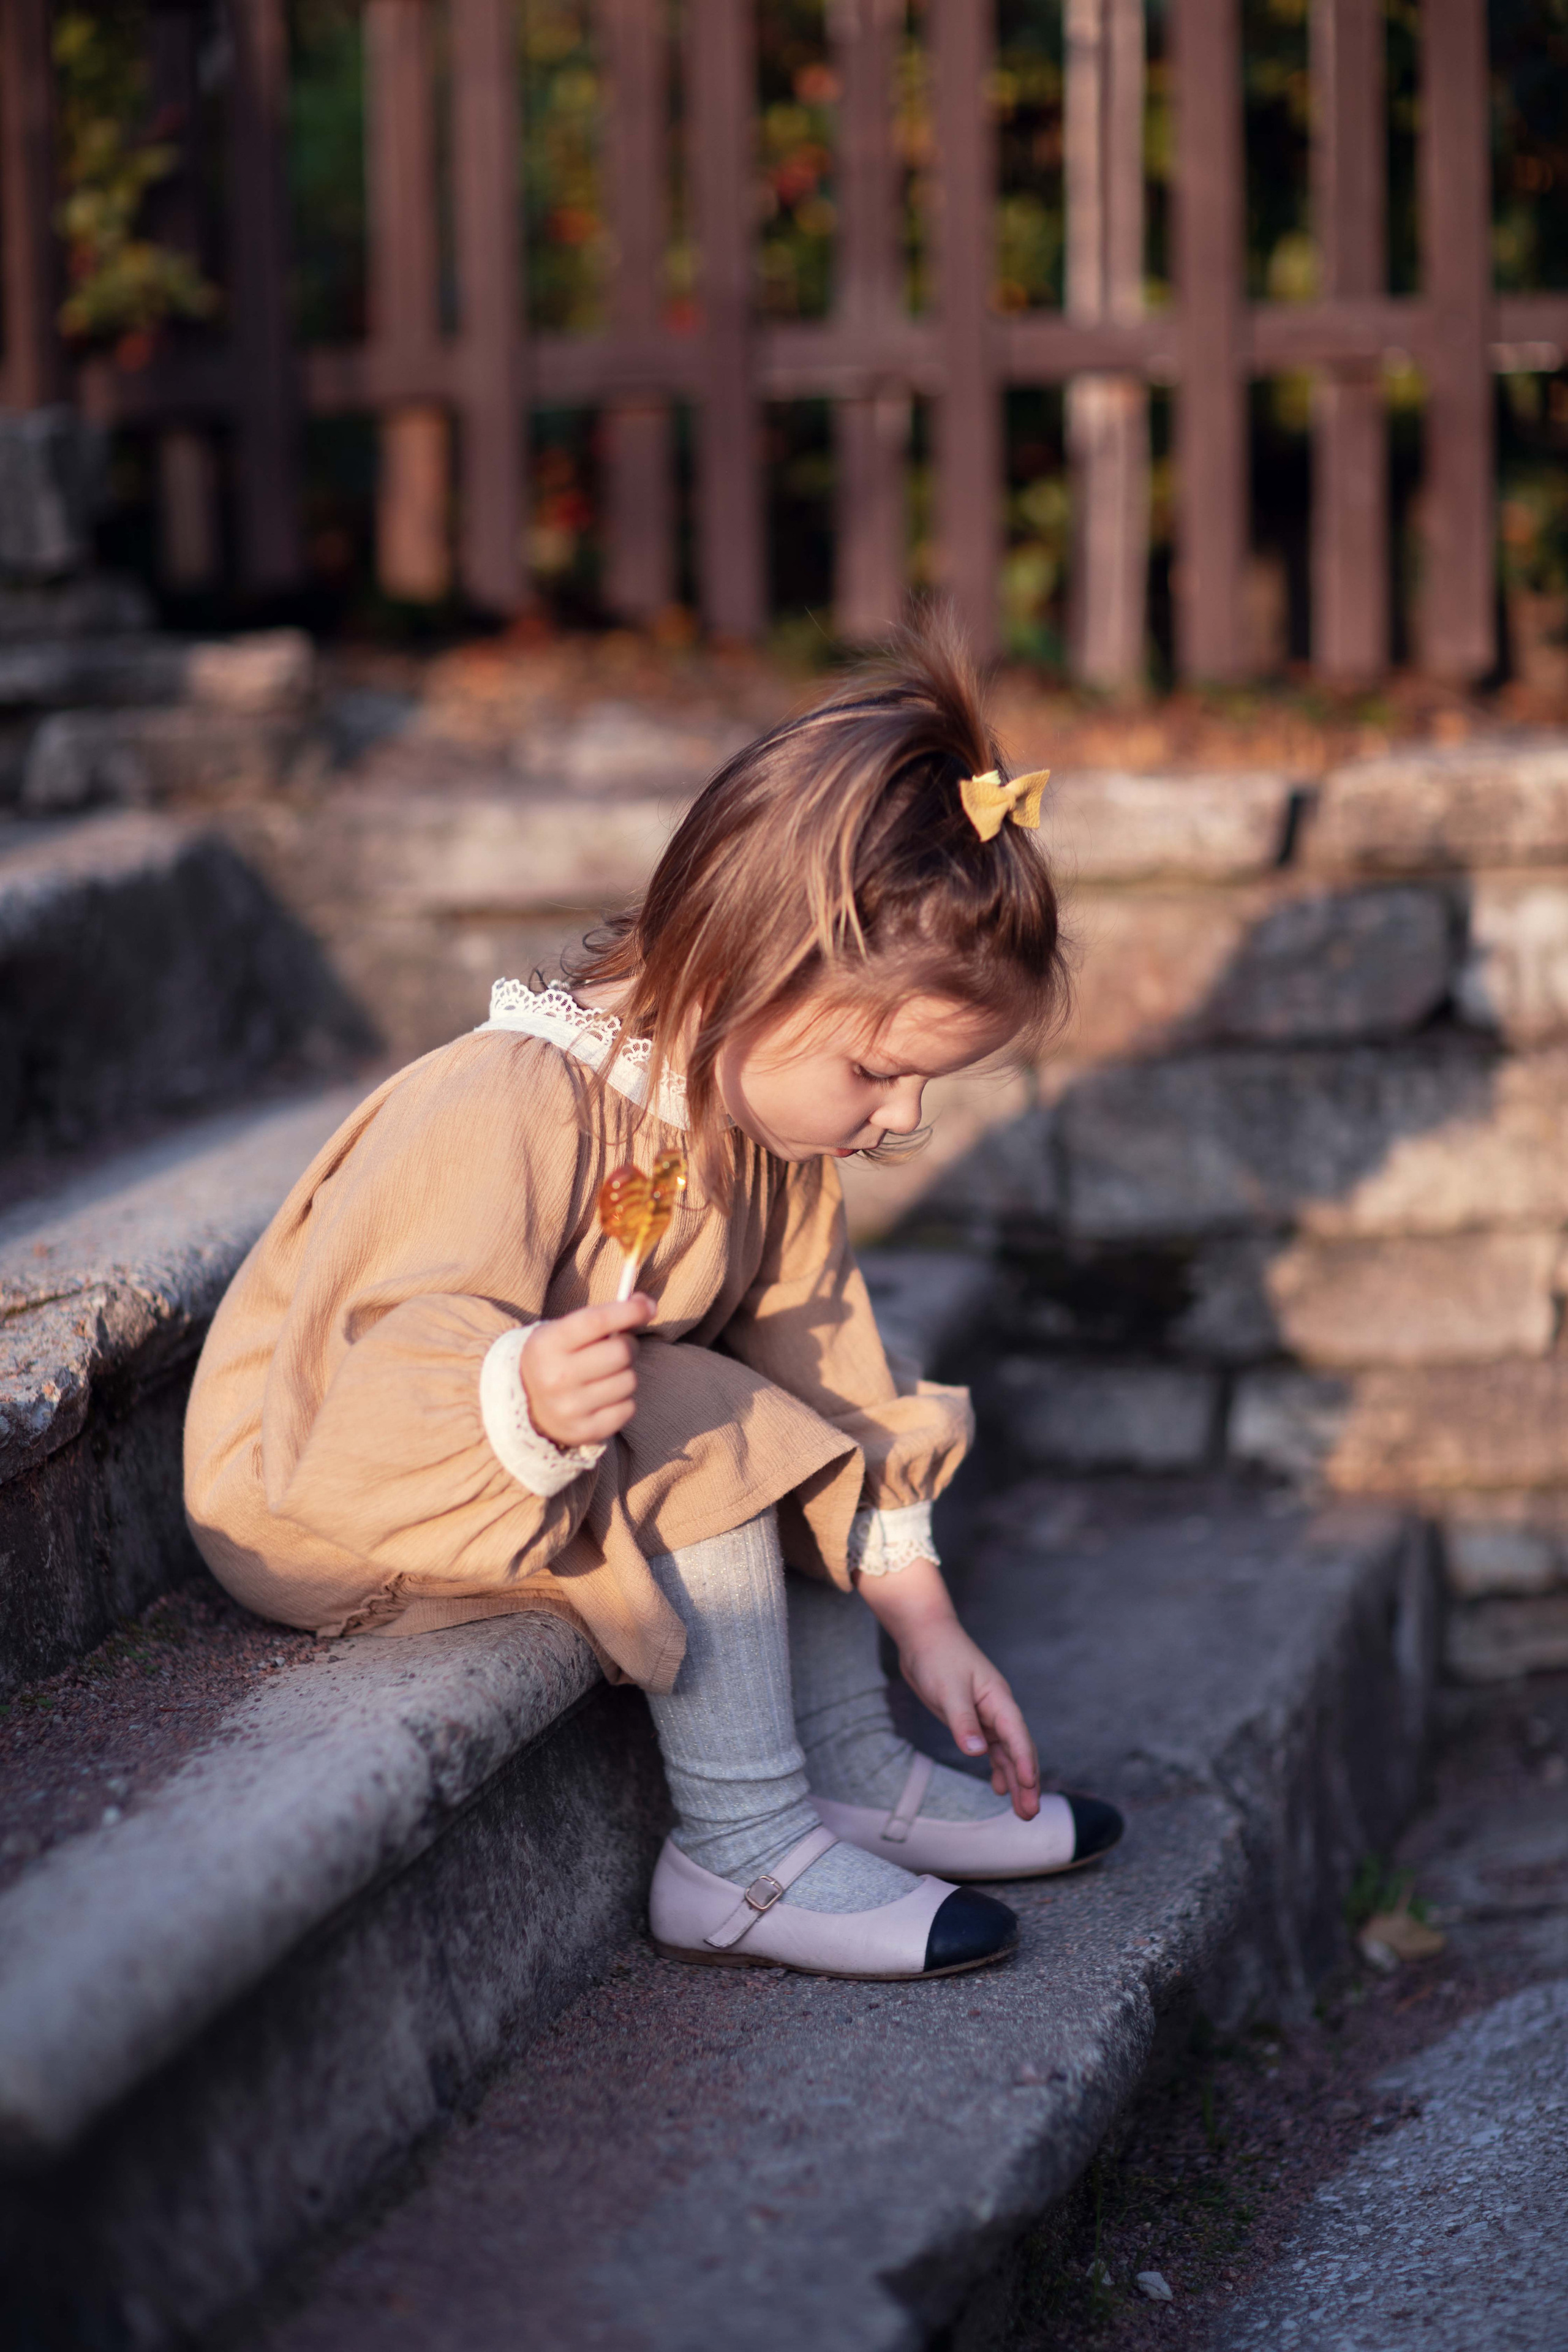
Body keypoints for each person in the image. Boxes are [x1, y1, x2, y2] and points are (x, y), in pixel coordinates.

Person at [184, 618, 1123, 1982]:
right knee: (696, 1403)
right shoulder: (502, 1100)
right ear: (750, 968)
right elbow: (385, 1348)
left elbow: (830, 1366)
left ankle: (847, 1765)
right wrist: (515, 1391)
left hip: (552, 1456)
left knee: (755, 1395)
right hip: (332, 1484)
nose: (900, 1118)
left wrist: (923, 1616)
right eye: (876, 1070)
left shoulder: (767, 1131)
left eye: (926, 1086)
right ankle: (737, 1850)